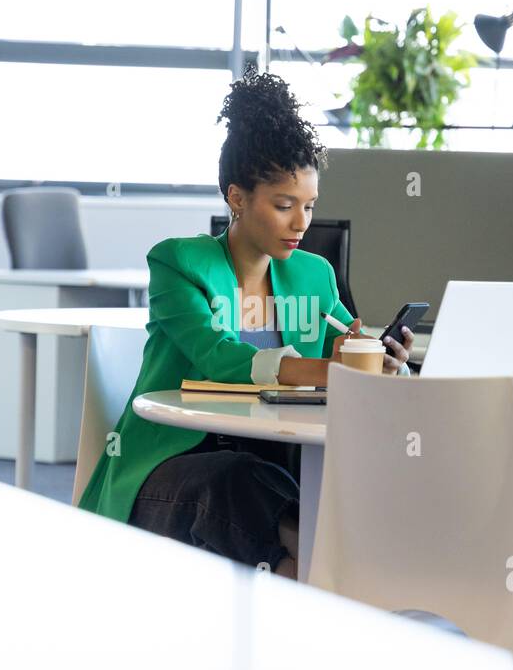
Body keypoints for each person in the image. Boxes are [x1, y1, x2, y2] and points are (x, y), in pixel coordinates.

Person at [77, 65, 413, 578]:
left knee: (319, 493)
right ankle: (317, 571)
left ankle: (311, 572)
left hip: (276, 473)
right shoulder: (179, 264)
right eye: (284, 205)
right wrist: (326, 369)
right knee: (239, 483)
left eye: (309, 206)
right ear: (237, 198)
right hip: (172, 474)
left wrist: (385, 361)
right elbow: (218, 355)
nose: (301, 223)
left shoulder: (314, 274)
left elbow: (353, 344)